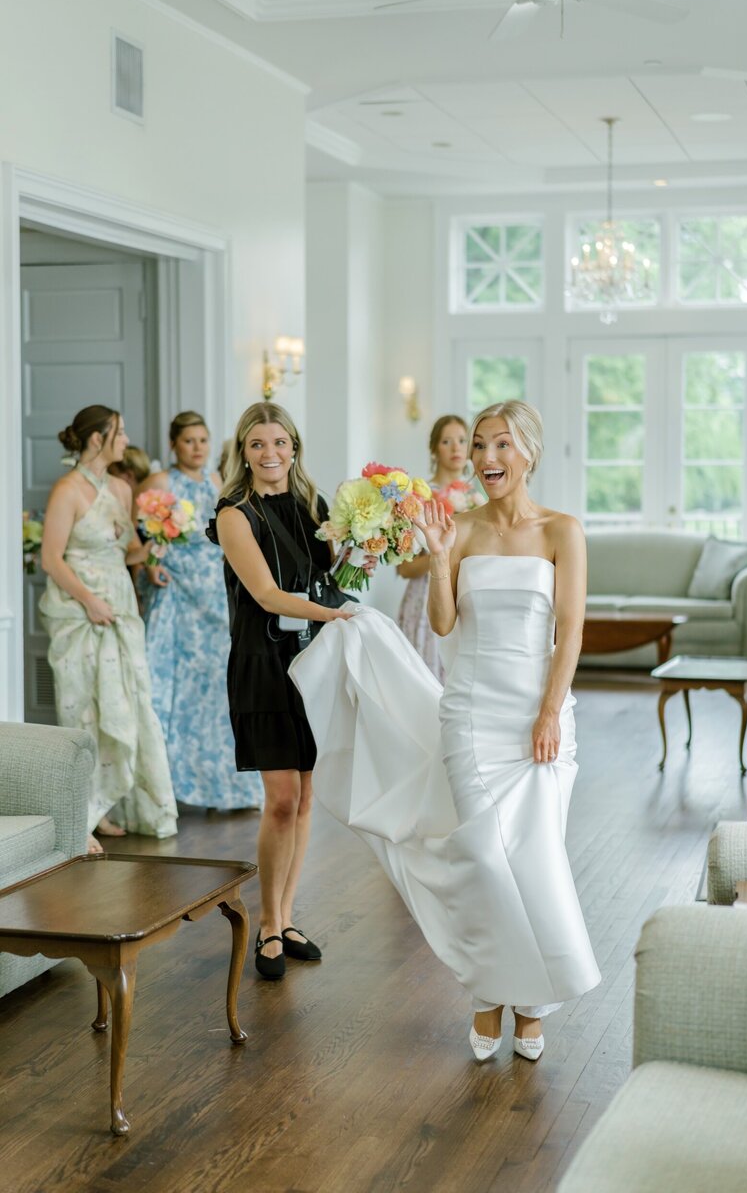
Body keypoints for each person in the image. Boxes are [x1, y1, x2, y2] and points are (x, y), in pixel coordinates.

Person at [290, 400, 600, 1061]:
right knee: (485, 858)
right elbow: (442, 624)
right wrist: (437, 557)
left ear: (529, 452)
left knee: (536, 860)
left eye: (502, 445)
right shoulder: (459, 528)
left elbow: (570, 631)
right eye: (480, 445)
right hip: (472, 716)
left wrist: (550, 712)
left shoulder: (562, 531)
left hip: (539, 718)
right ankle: (490, 994)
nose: (487, 457)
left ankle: (532, 1005)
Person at [207, 403, 359, 982]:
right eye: (257, 444)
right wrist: (336, 615)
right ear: (243, 453)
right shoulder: (234, 515)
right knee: (281, 799)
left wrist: (361, 555)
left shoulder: (313, 506)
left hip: (313, 660)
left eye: (279, 443)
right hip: (264, 664)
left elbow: (329, 579)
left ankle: (288, 916)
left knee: (307, 796)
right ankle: (268, 924)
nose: (269, 454)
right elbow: (268, 595)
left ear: (294, 447)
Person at [39, 405, 179, 853]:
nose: (126, 440)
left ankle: (108, 806)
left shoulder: (121, 487)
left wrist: (156, 547)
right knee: (83, 708)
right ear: (97, 438)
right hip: (80, 612)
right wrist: (89, 601)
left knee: (127, 703)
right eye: (119, 432)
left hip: (120, 606)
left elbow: (129, 551)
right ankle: (79, 816)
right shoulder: (67, 490)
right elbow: (51, 558)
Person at [138, 412, 262, 811]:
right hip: (176, 593)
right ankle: (168, 790)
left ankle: (224, 789)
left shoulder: (218, 481)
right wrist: (150, 563)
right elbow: (137, 543)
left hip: (214, 595)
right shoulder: (160, 483)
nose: (197, 448)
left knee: (217, 688)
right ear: (173, 444)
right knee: (173, 687)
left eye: (203, 440)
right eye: (189, 440)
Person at [397, 415, 484, 680]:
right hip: (426, 596)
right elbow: (405, 569)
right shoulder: (418, 499)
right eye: (447, 441)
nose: (456, 448)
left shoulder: (478, 498)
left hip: (466, 592)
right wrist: (440, 555)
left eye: (462, 440)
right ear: (434, 448)